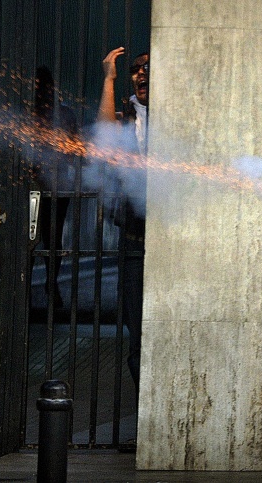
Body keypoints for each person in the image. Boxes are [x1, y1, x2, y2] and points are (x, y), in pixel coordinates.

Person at [97, 47, 149, 395]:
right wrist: (109, 79)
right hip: (134, 237)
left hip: (173, 237)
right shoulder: (129, 112)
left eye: (147, 68)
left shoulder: (182, 111)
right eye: (135, 69)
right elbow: (105, 138)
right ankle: (145, 424)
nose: (140, 74)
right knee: (138, 338)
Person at [33, 65, 78, 309]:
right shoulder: (63, 114)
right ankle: (51, 285)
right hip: (49, 183)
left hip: (48, 183)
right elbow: (75, 149)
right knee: (50, 238)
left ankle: (46, 285)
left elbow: (75, 148)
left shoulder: (30, 115)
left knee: (40, 238)